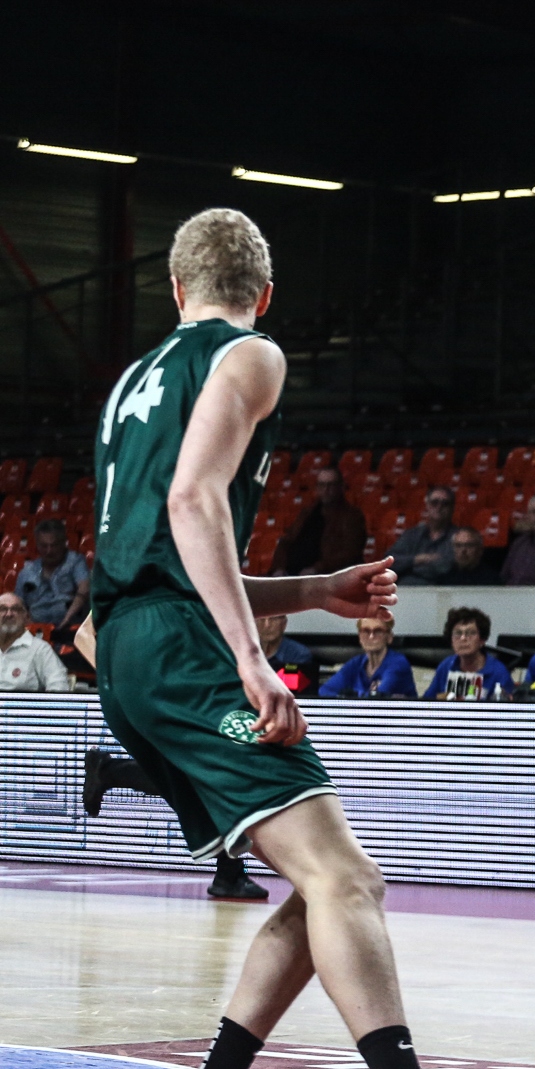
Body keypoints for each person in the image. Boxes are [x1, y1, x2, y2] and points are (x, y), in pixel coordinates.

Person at [83, 207, 419, 1067]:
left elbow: (162, 555)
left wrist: (314, 589)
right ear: (265, 294)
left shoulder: (130, 383)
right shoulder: (251, 352)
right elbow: (192, 504)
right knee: (347, 880)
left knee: (325, 888)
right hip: (179, 644)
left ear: (175, 288)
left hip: (126, 641)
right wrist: (251, 656)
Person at [273, 466, 367, 577]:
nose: (326, 490)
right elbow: (286, 541)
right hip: (295, 573)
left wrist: (317, 569)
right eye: (322, 485)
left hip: (329, 576)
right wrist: (279, 567)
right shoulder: (307, 513)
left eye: (330, 485)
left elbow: (350, 553)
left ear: (340, 487)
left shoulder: (352, 516)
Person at [424, 607, 514, 701]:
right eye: (458, 633)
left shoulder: (499, 673)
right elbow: (427, 703)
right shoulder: (446, 666)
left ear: (482, 640)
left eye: (470, 633)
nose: (463, 638)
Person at [16, 518, 90, 631]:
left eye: (54, 545)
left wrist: (67, 618)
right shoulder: (27, 571)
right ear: (37, 545)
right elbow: (18, 604)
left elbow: (85, 588)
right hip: (36, 631)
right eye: (44, 546)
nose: (49, 551)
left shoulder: (75, 561)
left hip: (70, 629)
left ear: (64, 543)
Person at [318, 619, 416, 699]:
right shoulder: (356, 663)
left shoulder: (398, 663)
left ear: (389, 637)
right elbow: (325, 690)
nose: (371, 636)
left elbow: (377, 699)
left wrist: (348, 694)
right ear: (360, 637)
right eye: (366, 631)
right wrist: (361, 694)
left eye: (378, 631)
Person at [386, 486, 456, 584]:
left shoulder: (460, 537)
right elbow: (389, 562)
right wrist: (418, 559)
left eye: (445, 504)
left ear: (452, 508)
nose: (439, 507)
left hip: (447, 590)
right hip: (411, 589)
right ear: (427, 505)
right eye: (434, 502)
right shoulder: (411, 535)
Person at [0, 590, 68, 690]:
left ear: (26, 616)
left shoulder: (40, 649)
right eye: (2, 609)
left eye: (16, 609)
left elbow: (59, 687)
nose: (9, 614)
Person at [255, 613, 317, 692]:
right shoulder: (243, 651)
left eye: (274, 619)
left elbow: (295, 690)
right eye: (261, 619)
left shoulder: (299, 653)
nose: (267, 625)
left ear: (284, 624)